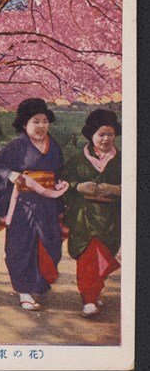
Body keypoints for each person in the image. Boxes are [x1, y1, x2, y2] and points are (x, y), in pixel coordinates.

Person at [0, 98, 68, 311]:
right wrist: (10, 175)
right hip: (23, 205)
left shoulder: (53, 147)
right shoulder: (15, 147)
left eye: (45, 121)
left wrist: (60, 183)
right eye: (36, 121)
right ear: (25, 124)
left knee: (50, 244)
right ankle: (24, 291)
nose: (41, 126)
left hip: (47, 204)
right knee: (21, 246)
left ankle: (38, 284)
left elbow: (59, 171)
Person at [61, 109, 121, 317]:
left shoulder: (122, 159)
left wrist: (116, 189)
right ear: (91, 135)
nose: (105, 139)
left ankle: (94, 292)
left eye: (110, 134)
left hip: (111, 219)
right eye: (101, 134)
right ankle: (89, 299)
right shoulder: (78, 159)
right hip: (83, 217)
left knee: (105, 256)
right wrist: (78, 186)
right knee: (88, 258)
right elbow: (63, 182)